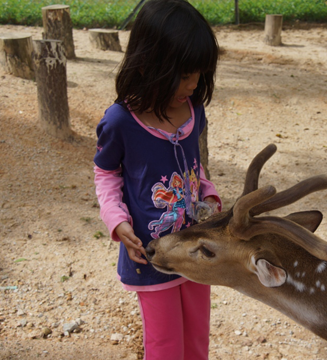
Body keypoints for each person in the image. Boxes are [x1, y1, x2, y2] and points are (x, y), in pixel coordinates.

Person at [93, 1, 221, 359]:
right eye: (184, 75)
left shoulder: (194, 109)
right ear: (150, 63)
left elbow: (194, 168)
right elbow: (106, 172)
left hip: (196, 250)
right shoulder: (120, 122)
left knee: (197, 343)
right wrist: (115, 220)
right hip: (150, 257)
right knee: (165, 348)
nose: (194, 84)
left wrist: (207, 195)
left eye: (199, 73)